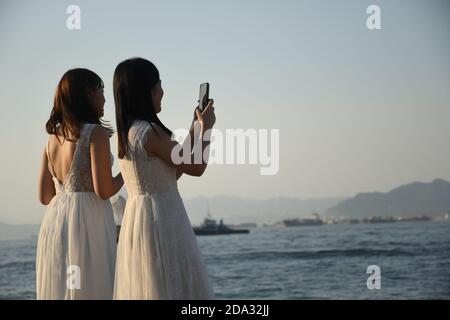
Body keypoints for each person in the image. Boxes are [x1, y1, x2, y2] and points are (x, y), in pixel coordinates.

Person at [113, 58, 215, 299]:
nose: (162, 91)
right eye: (159, 84)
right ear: (145, 90)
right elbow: (196, 167)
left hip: (139, 220)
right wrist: (208, 128)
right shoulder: (149, 132)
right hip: (163, 219)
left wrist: (195, 129)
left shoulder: (129, 132)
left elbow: (172, 172)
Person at [36, 68, 123, 299]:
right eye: (101, 90)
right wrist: (127, 171)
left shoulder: (51, 141)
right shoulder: (95, 134)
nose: (105, 98)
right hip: (87, 222)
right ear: (88, 94)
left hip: (56, 224)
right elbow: (104, 190)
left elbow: (45, 197)